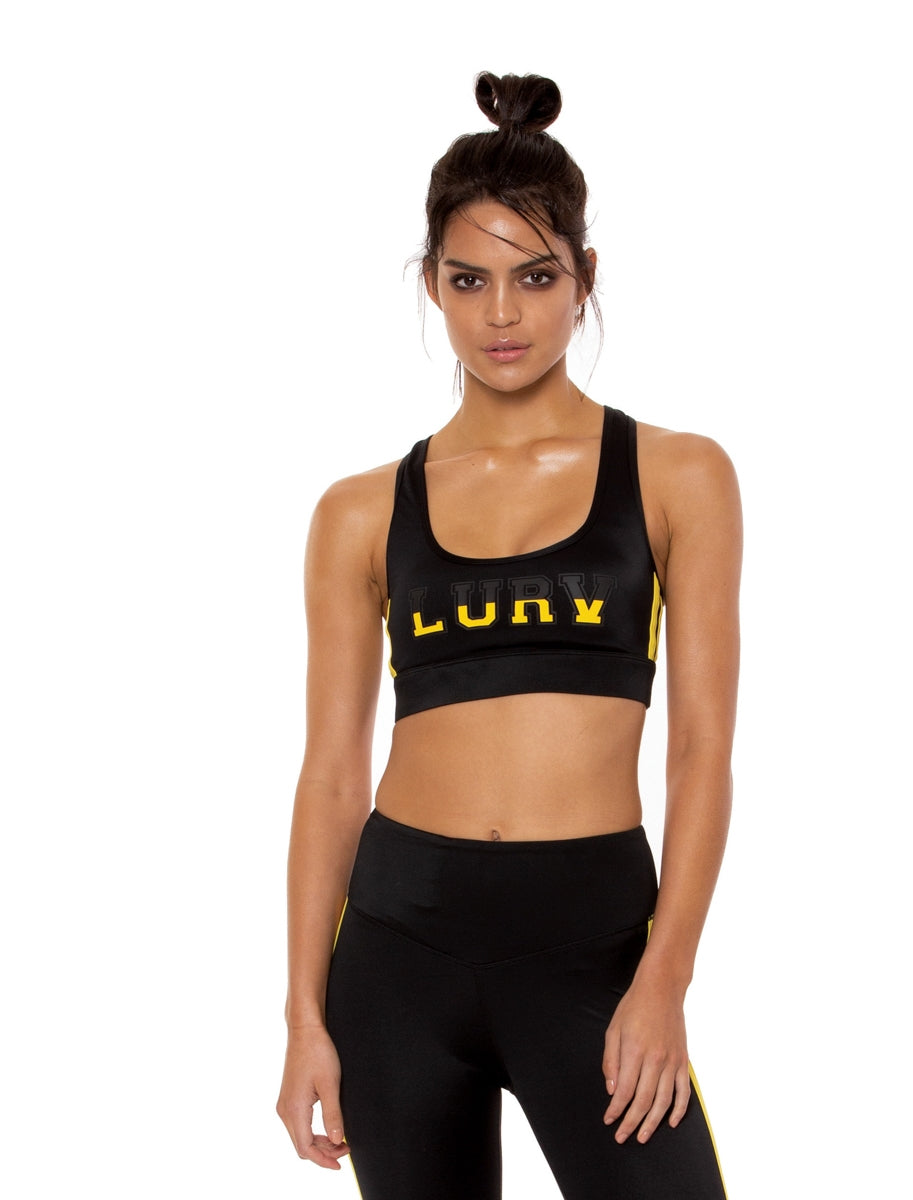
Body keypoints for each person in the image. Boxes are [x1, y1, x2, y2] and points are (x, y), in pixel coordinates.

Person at [276, 71, 741, 1200]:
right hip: (397, 956)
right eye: (467, 279)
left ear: (585, 279)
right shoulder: (359, 511)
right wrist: (302, 1015)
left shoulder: (678, 475)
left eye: (535, 277)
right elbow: (332, 775)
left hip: (593, 950)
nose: (501, 316)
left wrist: (665, 978)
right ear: (430, 284)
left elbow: (700, 751)